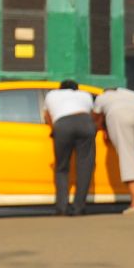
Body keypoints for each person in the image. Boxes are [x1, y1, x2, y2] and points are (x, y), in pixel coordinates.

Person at [93, 84, 134, 216]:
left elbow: (96, 119)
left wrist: (103, 128)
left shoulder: (102, 97)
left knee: (127, 157)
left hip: (120, 117)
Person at [43, 79, 98, 216]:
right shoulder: (85, 95)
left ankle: (62, 207)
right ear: (76, 89)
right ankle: (79, 207)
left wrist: (53, 129)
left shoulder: (51, 94)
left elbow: (46, 115)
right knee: (85, 167)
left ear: (60, 88)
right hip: (85, 123)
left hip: (62, 124)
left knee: (62, 167)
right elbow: (92, 115)